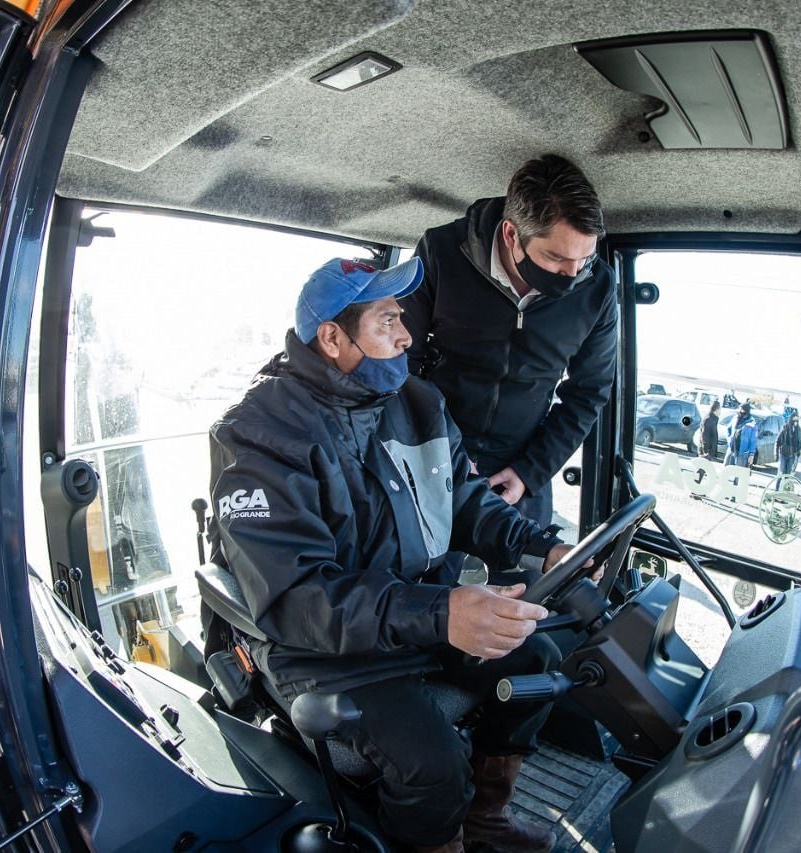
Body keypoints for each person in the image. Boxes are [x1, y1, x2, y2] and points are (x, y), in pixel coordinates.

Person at [210, 257, 581, 853]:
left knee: (535, 659)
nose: (407, 335)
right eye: (387, 321)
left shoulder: (417, 404)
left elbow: (464, 499)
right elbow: (299, 598)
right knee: (431, 766)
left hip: (413, 614)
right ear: (333, 337)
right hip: (324, 648)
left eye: (401, 318)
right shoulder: (259, 439)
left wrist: (544, 545)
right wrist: (441, 614)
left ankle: (483, 825)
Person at [401, 154, 617, 535]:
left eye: (585, 258)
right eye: (556, 257)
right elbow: (400, 361)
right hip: (430, 457)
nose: (573, 275)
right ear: (511, 235)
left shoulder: (597, 287)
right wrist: (433, 446)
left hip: (520, 477)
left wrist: (529, 471)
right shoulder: (442, 252)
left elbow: (588, 393)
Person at [725, 402, 758, 469]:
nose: (740, 411)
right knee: (726, 468)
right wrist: (729, 440)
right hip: (732, 448)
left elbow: (753, 440)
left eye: (742, 409)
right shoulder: (735, 418)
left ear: (746, 410)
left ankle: (737, 480)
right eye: (740, 409)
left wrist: (751, 454)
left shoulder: (751, 423)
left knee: (739, 472)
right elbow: (728, 429)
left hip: (743, 451)